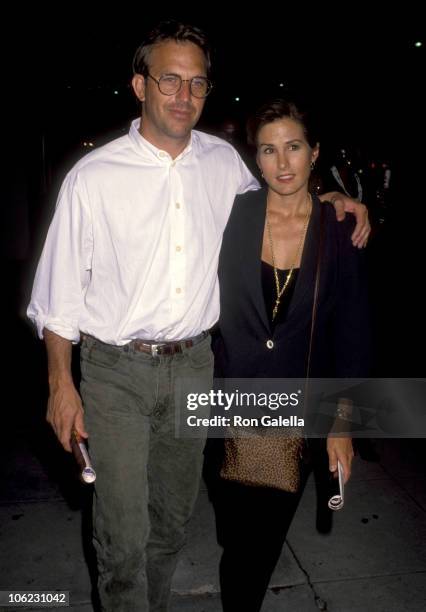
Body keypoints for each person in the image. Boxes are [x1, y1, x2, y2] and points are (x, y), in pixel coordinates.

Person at [27, 21, 370, 612]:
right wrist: (61, 383)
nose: (183, 96)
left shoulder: (224, 165)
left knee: (170, 523)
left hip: (196, 367)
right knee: (123, 534)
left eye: (197, 83)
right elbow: (57, 296)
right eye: (169, 80)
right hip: (116, 372)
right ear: (140, 85)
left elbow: (281, 193)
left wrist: (334, 201)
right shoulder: (94, 177)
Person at [209, 98, 371, 611]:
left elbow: (353, 333)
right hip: (228, 400)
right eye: (269, 150)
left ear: (314, 152)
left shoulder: (340, 228)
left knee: (259, 541)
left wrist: (342, 425)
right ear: (255, 159)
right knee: (235, 530)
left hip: (295, 408)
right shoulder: (229, 215)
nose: (282, 163)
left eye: (294, 147)